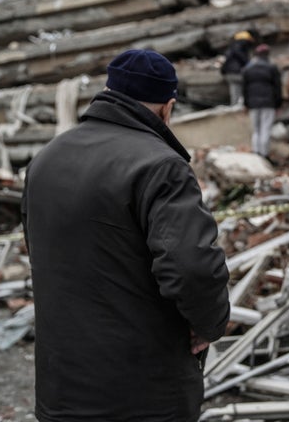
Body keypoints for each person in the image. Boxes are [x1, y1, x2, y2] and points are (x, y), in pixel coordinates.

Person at [21, 49, 231, 422]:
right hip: (141, 392)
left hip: (62, 383)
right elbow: (191, 268)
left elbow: (40, 255)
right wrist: (207, 324)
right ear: (168, 108)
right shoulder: (161, 165)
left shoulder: (46, 159)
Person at [242, 43, 282, 159]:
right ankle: (264, 154)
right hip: (268, 103)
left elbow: (244, 88)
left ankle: (256, 152)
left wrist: (246, 104)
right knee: (265, 129)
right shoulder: (272, 68)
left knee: (256, 130)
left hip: (253, 104)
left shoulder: (248, 69)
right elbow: (277, 88)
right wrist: (278, 104)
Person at [221, 30, 254, 105]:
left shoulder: (231, 48)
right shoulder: (241, 47)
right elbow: (243, 58)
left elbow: (226, 61)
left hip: (229, 73)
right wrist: (248, 63)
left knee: (235, 91)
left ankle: (235, 105)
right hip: (237, 72)